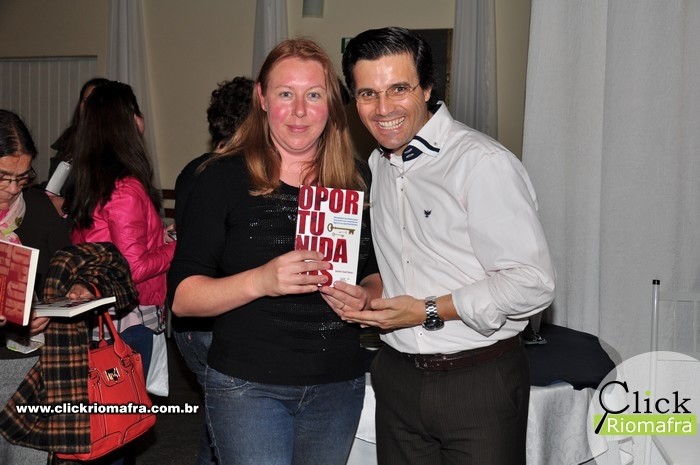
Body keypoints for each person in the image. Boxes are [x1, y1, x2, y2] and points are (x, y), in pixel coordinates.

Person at [340, 27, 556, 465]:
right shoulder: (378, 165)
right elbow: (403, 260)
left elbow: (532, 283)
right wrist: (369, 292)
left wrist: (427, 310)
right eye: (367, 94)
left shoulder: (481, 163)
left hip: (478, 380)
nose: (383, 109)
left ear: (427, 88)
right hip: (396, 376)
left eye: (398, 88)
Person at [168, 38, 381, 465]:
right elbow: (184, 298)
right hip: (249, 385)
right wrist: (262, 280)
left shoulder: (357, 179)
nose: (299, 111)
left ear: (331, 103)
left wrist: (367, 297)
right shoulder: (222, 178)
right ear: (262, 99)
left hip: (339, 383)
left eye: (313, 95)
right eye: (286, 94)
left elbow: (375, 271)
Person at [62, 81, 176, 463]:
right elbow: (134, 267)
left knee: (104, 430)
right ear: (127, 121)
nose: (141, 120)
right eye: (135, 111)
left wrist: (160, 237)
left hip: (100, 316)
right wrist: (178, 246)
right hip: (128, 321)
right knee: (117, 434)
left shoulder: (88, 179)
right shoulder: (125, 186)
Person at [172, 75, 253, 465]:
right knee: (231, 429)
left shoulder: (193, 169)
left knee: (219, 423)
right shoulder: (234, 176)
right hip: (214, 320)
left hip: (191, 328)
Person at [0, 109, 71, 464]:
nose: (13, 189)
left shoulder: (38, 207)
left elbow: (66, 266)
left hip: (24, 363)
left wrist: (61, 302)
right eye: (3, 178)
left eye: (22, 177)